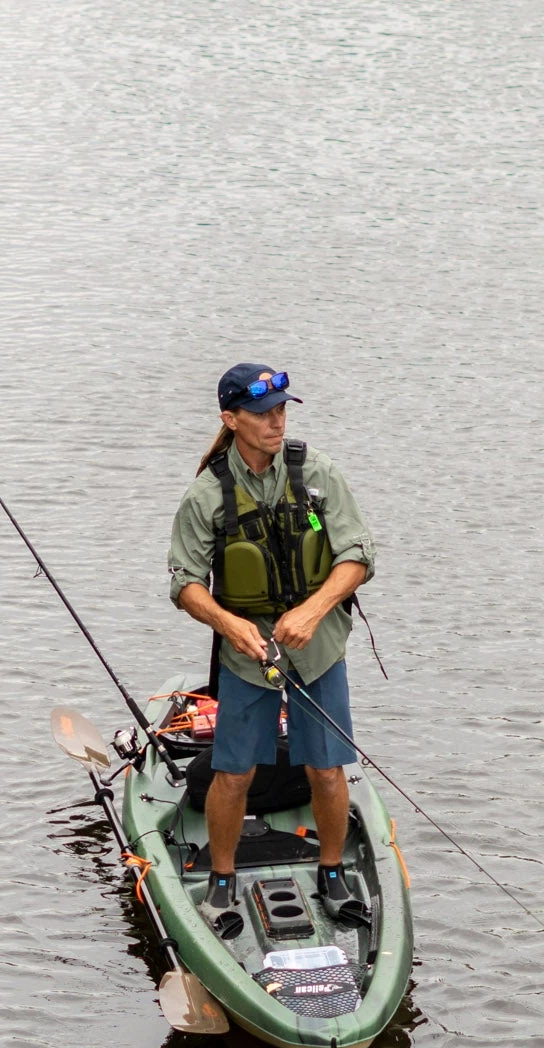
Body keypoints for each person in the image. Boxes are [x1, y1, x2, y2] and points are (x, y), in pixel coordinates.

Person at [167, 363, 376, 938]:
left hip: (318, 646)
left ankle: (332, 871)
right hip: (247, 656)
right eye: (262, 414)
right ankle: (222, 879)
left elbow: (358, 555)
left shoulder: (317, 472)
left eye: (282, 411)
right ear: (231, 420)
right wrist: (229, 624)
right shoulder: (207, 495)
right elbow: (184, 583)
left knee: (327, 769)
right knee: (233, 773)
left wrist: (313, 610)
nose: (276, 422)